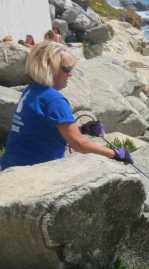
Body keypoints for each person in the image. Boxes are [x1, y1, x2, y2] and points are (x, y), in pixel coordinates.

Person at [0, 41, 132, 171]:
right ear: (49, 68)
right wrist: (115, 154)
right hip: (35, 171)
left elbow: (42, 131)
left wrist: (82, 130)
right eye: (67, 69)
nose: (70, 74)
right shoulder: (53, 99)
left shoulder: (32, 90)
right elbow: (79, 144)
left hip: (11, 165)